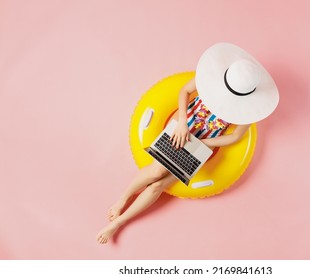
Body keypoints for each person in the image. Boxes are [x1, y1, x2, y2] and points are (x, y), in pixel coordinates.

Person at [96, 42, 279, 244]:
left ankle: (118, 223)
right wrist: (182, 122)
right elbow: (184, 90)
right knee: (157, 171)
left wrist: (207, 144)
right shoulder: (211, 79)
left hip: (201, 145)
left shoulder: (248, 109)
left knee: (158, 186)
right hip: (182, 129)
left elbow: (235, 136)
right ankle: (122, 199)